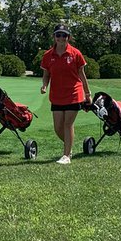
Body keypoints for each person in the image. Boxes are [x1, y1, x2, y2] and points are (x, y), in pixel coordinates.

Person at [39, 25, 91, 164]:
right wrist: (44, 85)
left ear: (68, 37)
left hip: (74, 93)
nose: (61, 38)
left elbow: (82, 74)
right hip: (56, 95)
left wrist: (88, 94)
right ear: (54, 37)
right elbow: (46, 74)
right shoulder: (48, 55)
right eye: (58, 35)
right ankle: (69, 145)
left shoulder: (75, 53)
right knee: (58, 128)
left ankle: (66, 155)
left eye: (64, 35)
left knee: (68, 124)